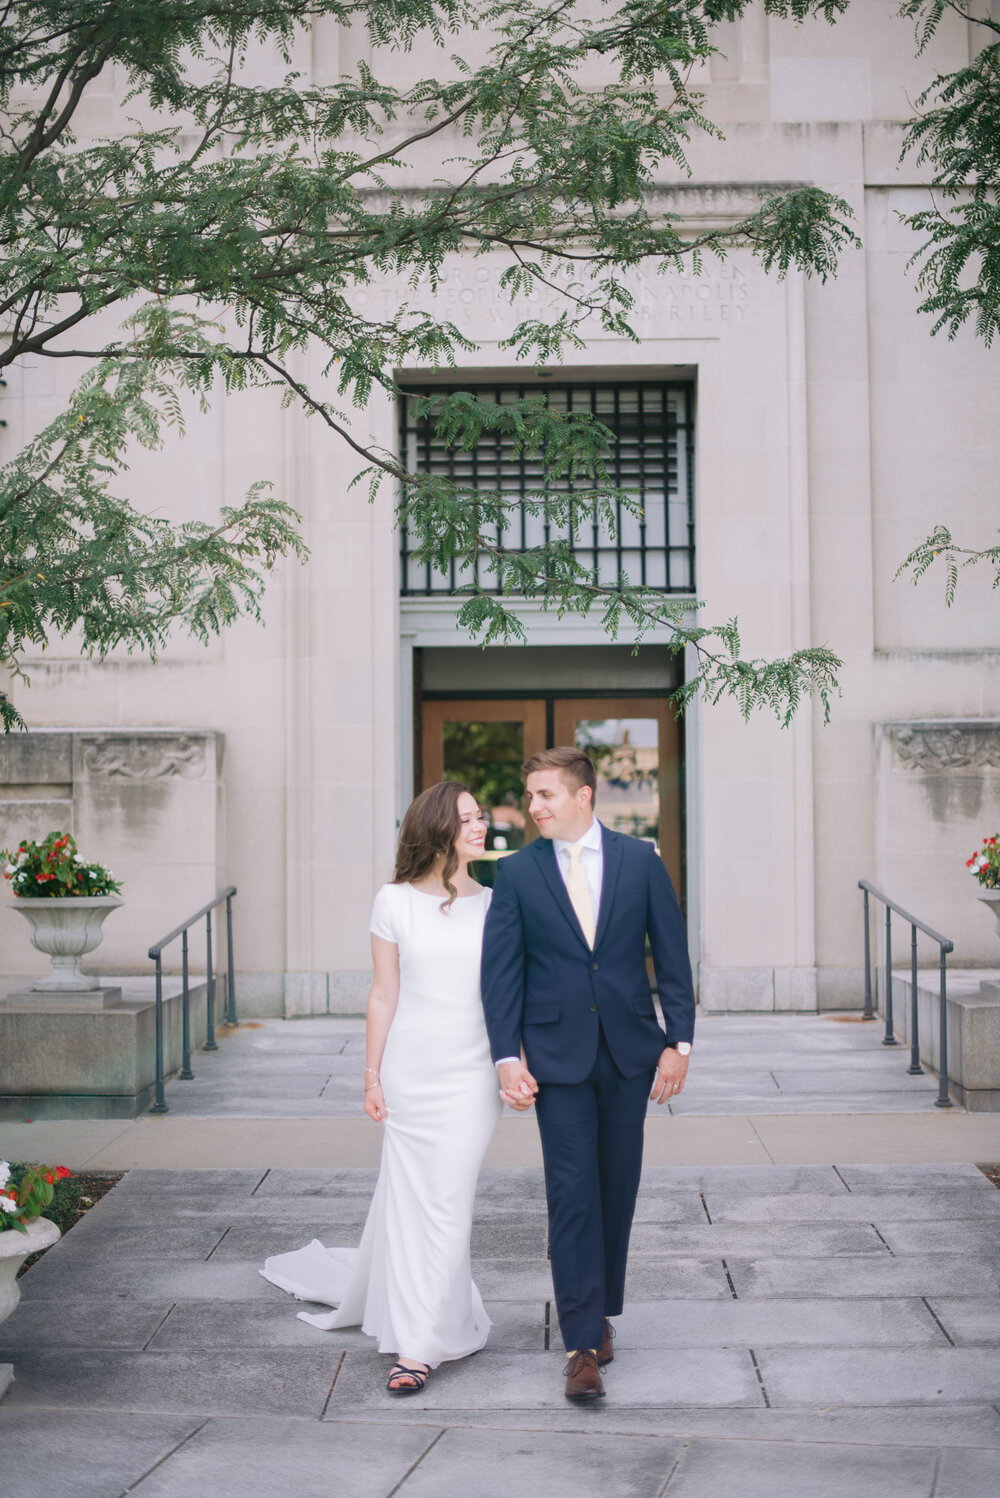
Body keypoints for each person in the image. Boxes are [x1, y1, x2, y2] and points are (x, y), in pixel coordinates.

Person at [261, 781, 502, 1394]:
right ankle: (421, 1332)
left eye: (481, 817)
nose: (481, 826)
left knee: (449, 1203)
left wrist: (514, 1062)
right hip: (410, 1073)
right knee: (414, 1201)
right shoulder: (392, 901)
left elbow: (508, 998)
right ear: (438, 829)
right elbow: (384, 993)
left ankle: (420, 1344)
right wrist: (370, 1074)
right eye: (468, 819)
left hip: (472, 1073)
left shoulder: (497, 904)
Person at [481, 746, 695, 1402]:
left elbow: (673, 953)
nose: (534, 807)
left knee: (616, 1187)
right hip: (557, 1056)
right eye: (532, 796)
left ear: (584, 795)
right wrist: (506, 1055)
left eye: (546, 795)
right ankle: (580, 1344)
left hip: (631, 1051)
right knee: (571, 1191)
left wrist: (678, 1043)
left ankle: (599, 1310)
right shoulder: (516, 874)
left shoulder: (639, 861)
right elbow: (501, 973)